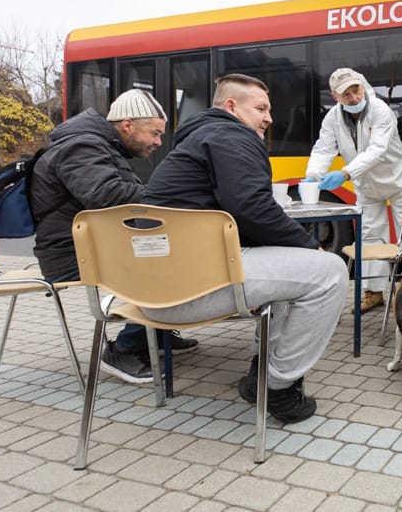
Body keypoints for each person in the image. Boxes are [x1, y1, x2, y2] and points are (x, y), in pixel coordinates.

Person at [141, 73, 348, 423]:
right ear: (231, 106)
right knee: (330, 272)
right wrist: (314, 247)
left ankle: (261, 371)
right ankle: (278, 387)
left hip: (149, 288)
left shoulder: (196, 140)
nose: (269, 117)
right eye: (261, 108)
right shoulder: (231, 135)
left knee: (290, 275)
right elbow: (251, 207)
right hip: (186, 289)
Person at [30, 89, 198, 384]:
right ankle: (125, 348)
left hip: (91, 246)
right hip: (71, 254)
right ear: (128, 125)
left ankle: (155, 333)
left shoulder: (97, 145)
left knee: (175, 249)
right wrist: (167, 196)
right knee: (166, 258)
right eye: (154, 133)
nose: (159, 142)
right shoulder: (81, 146)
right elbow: (105, 195)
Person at [304, 68, 402, 314]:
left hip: (397, 181)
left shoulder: (380, 110)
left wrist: (345, 173)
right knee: (370, 237)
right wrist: (312, 175)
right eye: (345, 94)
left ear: (362, 85)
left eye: (355, 90)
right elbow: (323, 148)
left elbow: (377, 150)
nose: (354, 98)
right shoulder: (332, 118)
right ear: (335, 97)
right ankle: (374, 292)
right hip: (367, 187)